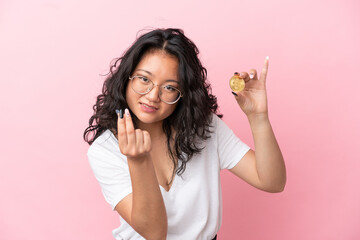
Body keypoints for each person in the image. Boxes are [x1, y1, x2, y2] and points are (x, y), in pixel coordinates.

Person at [83, 28, 286, 240]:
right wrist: (138, 160)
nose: (153, 96)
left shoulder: (205, 128)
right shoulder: (105, 149)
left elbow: (272, 182)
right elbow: (154, 233)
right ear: (127, 78)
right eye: (144, 79)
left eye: (169, 87)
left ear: (183, 94)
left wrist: (258, 117)